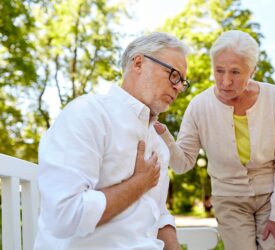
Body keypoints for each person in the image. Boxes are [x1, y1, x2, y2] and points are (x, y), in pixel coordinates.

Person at [34, 32, 190, 250]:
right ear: (138, 63)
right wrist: (139, 183)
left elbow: (157, 212)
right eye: (173, 75)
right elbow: (65, 215)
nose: (179, 87)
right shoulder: (88, 113)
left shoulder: (158, 143)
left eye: (183, 81)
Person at [154, 30, 275, 250]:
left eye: (236, 72)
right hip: (229, 200)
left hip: (274, 195)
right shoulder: (200, 106)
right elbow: (182, 164)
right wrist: (164, 135)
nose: (226, 81)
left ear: (253, 70)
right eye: (219, 70)